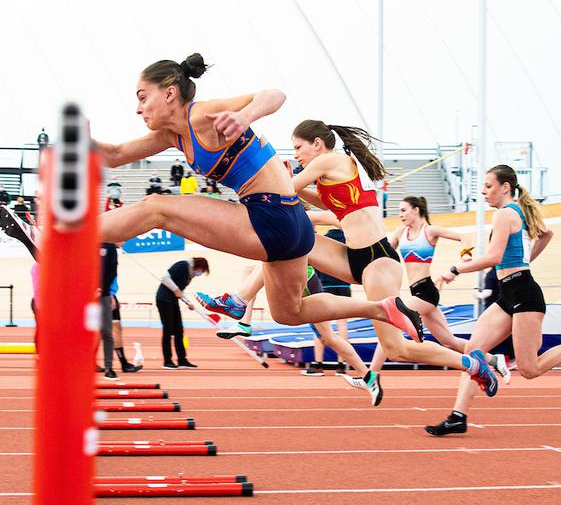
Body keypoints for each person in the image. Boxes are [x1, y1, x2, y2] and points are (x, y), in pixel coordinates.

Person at [94, 53, 424, 344]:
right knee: (289, 312)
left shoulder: (201, 115)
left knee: (157, 208)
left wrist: (246, 116)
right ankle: (382, 309)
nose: (138, 108)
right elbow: (116, 153)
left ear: (169, 93)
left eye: (142, 97)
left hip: (272, 216)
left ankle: (72, 235)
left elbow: (274, 95)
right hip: (291, 225)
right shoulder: (171, 136)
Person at [199, 120, 499, 401]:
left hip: (378, 260)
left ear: (317, 144)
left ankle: (472, 365)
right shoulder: (333, 170)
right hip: (352, 256)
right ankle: (240, 300)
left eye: (299, 148)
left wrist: (255, 170)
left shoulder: (331, 159)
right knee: (284, 239)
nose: (297, 155)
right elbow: (315, 197)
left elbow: (287, 187)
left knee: (398, 349)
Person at [426, 164, 561, 436]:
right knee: (473, 352)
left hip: (525, 295)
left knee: (530, 369)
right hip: (509, 293)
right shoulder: (516, 212)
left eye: (488, 186)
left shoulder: (506, 214)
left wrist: (455, 269)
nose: (483, 191)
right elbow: (546, 234)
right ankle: (458, 416)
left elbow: (493, 257)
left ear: (505, 187)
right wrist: (524, 263)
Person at [367, 195, 509, 381]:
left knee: (390, 321)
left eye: (403, 210)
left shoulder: (429, 231)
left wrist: (465, 256)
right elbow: (384, 255)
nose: (400, 215)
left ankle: (372, 376)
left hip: (427, 292)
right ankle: (493, 359)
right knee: (448, 341)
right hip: (415, 292)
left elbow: (463, 237)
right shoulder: (400, 233)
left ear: (416, 210)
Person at [98, 242, 143, 377]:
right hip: (105, 294)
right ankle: (118, 364)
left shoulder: (111, 250)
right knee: (112, 330)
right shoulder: (105, 247)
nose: (124, 242)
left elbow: (110, 273)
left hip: (108, 294)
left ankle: (119, 364)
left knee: (115, 329)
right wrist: (109, 294)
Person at [156, 257, 208, 369]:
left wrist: (188, 302)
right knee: (168, 330)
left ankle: (182, 360)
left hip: (173, 301)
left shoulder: (190, 276)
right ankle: (167, 361)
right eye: (201, 271)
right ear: (198, 265)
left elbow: (181, 291)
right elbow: (164, 277)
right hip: (163, 299)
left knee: (179, 330)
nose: (200, 273)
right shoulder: (182, 266)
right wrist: (175, 289)